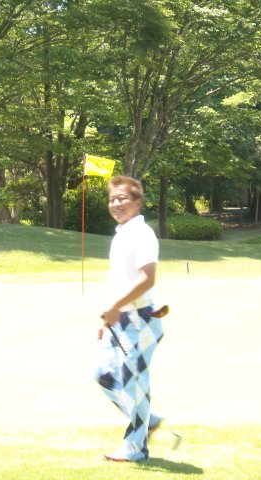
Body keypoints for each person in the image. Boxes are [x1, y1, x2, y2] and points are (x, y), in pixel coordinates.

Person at [94, 175, 164, 462]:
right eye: (112, 199)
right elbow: (119, 280)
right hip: (121, 319)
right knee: (103, 374)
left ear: (138, 202)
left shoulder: (142, 233)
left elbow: (147, 279)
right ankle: (149, 419)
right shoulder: (121, 234)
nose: (116, 203)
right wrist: (108, 318)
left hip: (141, 319)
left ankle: (136, 450)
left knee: (133, 384)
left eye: (122, 198)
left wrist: (116, 307)